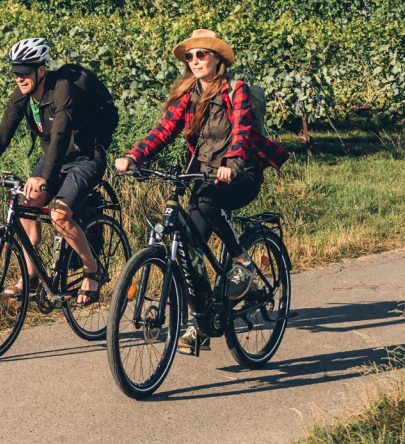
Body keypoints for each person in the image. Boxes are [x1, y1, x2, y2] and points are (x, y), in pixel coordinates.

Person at [114, 29, 290, 348]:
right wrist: (134, 156)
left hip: (241, 174)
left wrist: (232, 164)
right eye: (190, 56)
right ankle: (203, 321)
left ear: (217, 59)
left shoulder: (237, 91)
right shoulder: (188, 93)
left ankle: (241, 260)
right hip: (203, 174)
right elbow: (164, 130)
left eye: (201, 54)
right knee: (188, 248)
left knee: (207, 204)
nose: (194, 61)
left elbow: (242, 133)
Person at [0, 37, 120, 305]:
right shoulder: (22, 97)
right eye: (15, 72)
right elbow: (3, 134)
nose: (19, 78)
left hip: (85, 159)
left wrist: (44, 178)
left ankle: (92, 269)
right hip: (52, 157)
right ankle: (31, 276)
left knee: (60, 215)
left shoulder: (62, 90)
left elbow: (60, 135)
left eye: (24, 72)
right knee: (28, 203)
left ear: (40, 70)